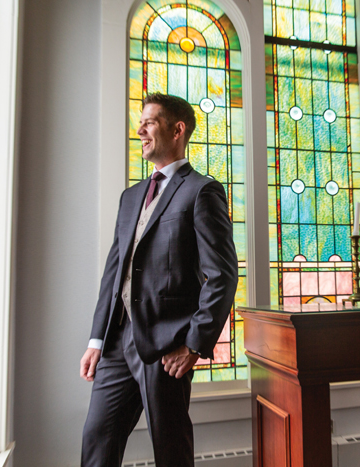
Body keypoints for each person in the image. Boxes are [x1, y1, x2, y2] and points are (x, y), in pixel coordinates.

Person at [79, 93, 238, 467]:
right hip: (118, 342)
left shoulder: (201, 190)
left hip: (168, 346)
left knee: (170, 449)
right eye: (141, 123)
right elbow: (114, 272)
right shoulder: (130, 197)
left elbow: (222, 275)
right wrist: (96, 339)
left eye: (149, 122)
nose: (140, 130)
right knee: (97, 440)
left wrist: (195, 344)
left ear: (177, 129)